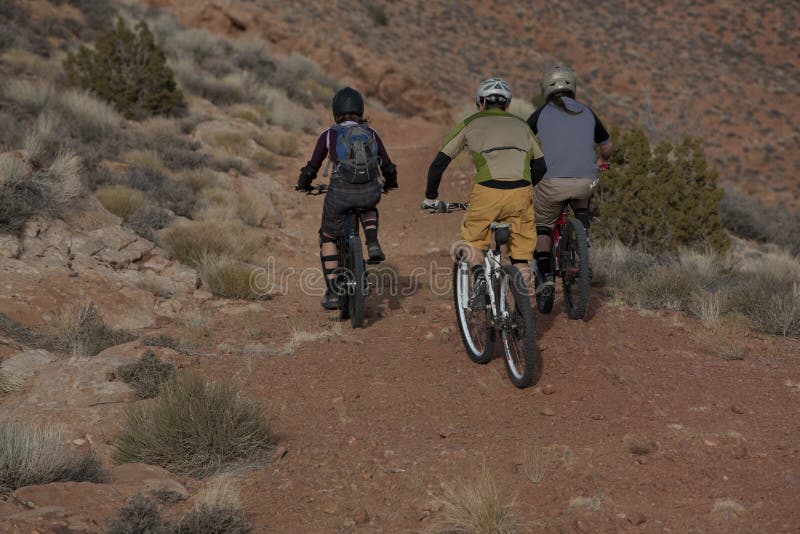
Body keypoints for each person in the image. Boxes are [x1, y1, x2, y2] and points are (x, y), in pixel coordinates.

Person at [423, 77, 547, 308]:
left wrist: (431, 198)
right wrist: (525, 187)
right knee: (521, 257)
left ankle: (480, 277)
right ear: (507, 105)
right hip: (521, 193)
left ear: (480, 103)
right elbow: (541, 166)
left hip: (487, 192)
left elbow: (439, 163)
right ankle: (524, 316)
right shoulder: (523, 126)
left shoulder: (470, 123)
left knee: (473, 242)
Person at [296, 87, 398, 310]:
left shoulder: (329, 134)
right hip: (369, 191)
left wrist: (304, 184)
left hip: (340, 193)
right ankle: (372, 242)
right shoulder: (371, 133)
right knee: (369, 204)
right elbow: (388, 165)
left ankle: (333, 292)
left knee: (328, 235)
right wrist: (391, 183)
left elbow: (312, 166)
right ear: (360, 109)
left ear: (336, 111)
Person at [526, 65, 614, 294]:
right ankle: (581, 239)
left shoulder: (541, 113)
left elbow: (521, 140)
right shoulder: (587, 111)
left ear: (546, 88)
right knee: (582, 197)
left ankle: (545, 275)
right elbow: (607, 146)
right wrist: (601, 161)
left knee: (543, 226)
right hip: (586, 180)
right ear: (572, 87)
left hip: (552, 182)